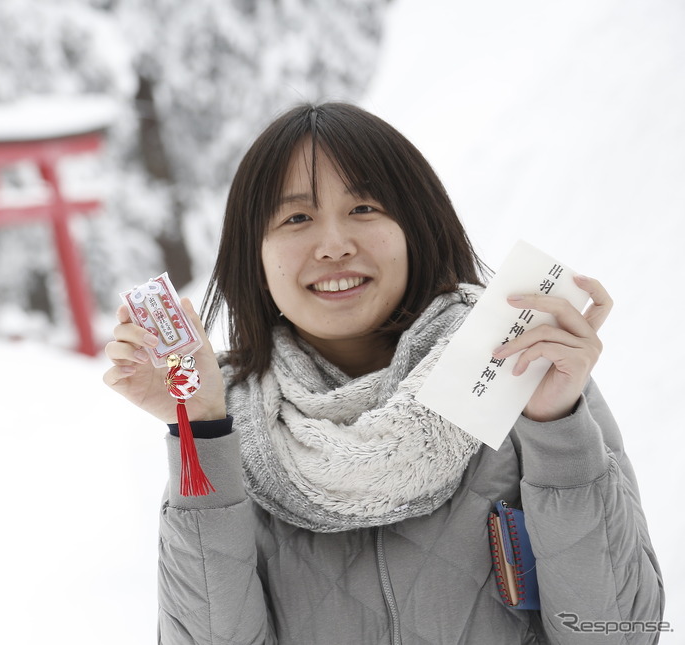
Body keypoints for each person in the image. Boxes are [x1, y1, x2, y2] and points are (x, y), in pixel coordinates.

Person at [103, 103, 663, 644]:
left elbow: (620, 634)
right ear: (255, 256)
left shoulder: (523, 369)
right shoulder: (233, 427)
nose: (334, 245)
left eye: (364, 209)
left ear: (415, 227)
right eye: (297, 217)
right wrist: (201, 428)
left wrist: (556, 428)